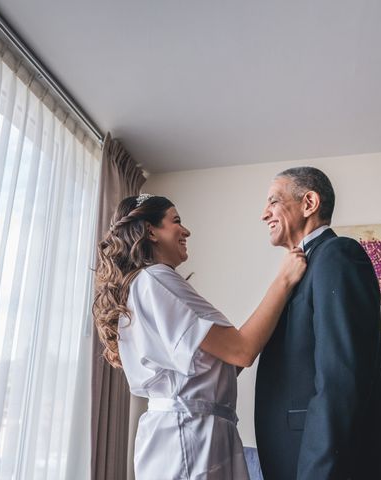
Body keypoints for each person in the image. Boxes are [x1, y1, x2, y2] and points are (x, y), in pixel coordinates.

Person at [93, 194, 306, 480]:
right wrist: (283, 281)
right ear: (150, 231)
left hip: (194, 432)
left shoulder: (148, 284)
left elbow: (225, 363)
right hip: (187, 436)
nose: (186, 231)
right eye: (176, 221)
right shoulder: (155, 279)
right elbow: (241, 351)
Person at [254, 167, 381, 479]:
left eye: (273, 201)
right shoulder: (303, 268)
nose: (264, 214)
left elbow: (340, 380)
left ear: (309, 202)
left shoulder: (337, 255)